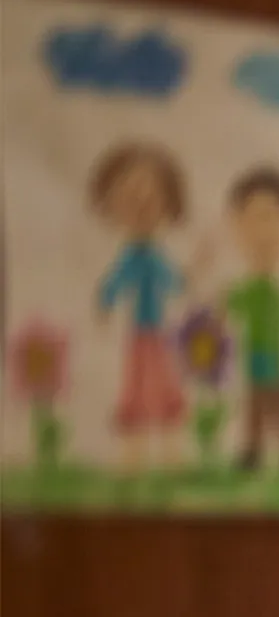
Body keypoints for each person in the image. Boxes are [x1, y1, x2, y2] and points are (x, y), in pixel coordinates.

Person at [89, 142, 191, 470]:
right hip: (139, 336)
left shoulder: (153, 255)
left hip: (158, 336)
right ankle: (134, 455)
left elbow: (175, 283)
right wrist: (104, 305)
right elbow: (114, 284)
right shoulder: (132, 256)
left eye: (152, 197)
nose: (143, 205)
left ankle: (171, 454)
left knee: (164, 387)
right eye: (131, 197)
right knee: (137, 389)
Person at [217, 168, 279, 472]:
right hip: (257, 361)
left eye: (275, 217)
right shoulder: (248, 290)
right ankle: (252, 451)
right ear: (238, 228)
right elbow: (228, 309)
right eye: (256, 218)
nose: (265, 231)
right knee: (256, 409)